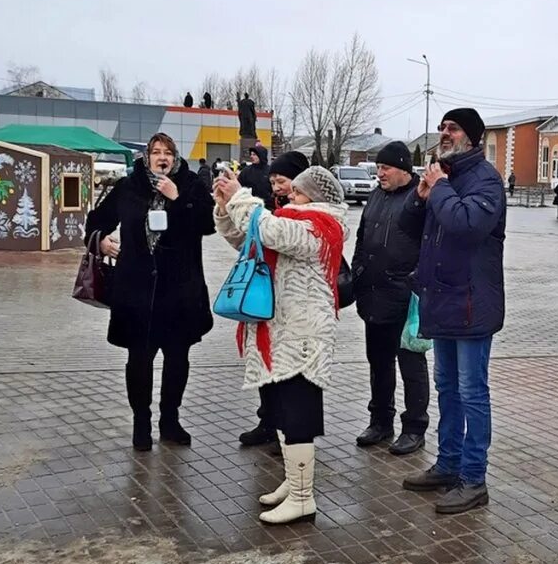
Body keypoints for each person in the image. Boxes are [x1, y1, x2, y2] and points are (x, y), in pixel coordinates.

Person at [213, 165, 348, 525]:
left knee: (300, 412)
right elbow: (249, 238)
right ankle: (293, 482)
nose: (291, 195)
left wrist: (241, 194)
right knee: (286, 412)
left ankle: (304, 498)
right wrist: (227, 208)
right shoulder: (294, 219)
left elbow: (269, 230)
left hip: (304, 335)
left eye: (298, 192)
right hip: (284, 331)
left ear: (316, 197)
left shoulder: (322, 227)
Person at [399, 107, 506, 515]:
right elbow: (413, 229)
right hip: (442, 299)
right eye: (443, 127)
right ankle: (448, 464)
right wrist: (420, 198)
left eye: (454, 128)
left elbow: (466, 224)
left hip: (472, 304)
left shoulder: (485, 180)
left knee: (472, 392)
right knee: (447, 388)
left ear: (473, 138)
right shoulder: (443, 177)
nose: (445, 133)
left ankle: (474, 479)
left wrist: (440, 188)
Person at [84, 133, 215, 450]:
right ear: (146, 157)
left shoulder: (192, 185)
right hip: (137, 289)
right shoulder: (128, 187)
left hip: (179, 290)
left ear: (175, 156)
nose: (162, 157)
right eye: (155, 152)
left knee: (177, 360)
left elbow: (207, 223)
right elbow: (96, 220)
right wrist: (100, 239)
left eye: (168, 152)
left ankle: (170, 420)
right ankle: (140, 422)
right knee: (139, 361)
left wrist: (177, 197)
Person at [352, 141, 430, 455]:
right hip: (373, 293)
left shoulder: (419, 198)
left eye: (386, 168)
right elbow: (362, 236)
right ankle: (380, 421)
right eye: (378, 168)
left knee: (411, 364)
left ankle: (414, 427)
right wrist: (357, 269)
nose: (380, 173)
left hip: (404, 297)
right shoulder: (375, 196)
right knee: (378, 363)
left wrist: (414, 281)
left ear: (403, 169)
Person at [236, 151, 311, 451]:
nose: (277, 187)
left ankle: (290, 434)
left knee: (289, 373)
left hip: (295, 305)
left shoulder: (307, 214)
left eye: (282, 181)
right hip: (267, 296)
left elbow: (281, 238)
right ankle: (268, 421)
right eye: (274, 182)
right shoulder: (273, 208)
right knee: (265, 362)